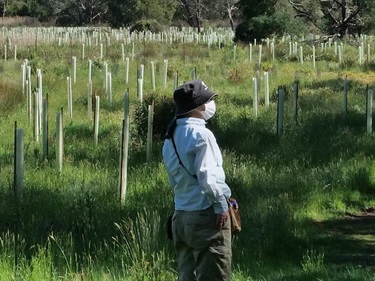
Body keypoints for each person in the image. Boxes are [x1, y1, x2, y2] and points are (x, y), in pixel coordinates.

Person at [162, 79, 232, 281]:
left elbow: (174, 180)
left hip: (181, 217)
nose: (210, 105)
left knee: (187, 276)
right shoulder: (202, 135)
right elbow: (208, 178)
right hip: (205, 215)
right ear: (197, 106)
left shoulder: (171, 137)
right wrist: (221, 206)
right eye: (207, 101)